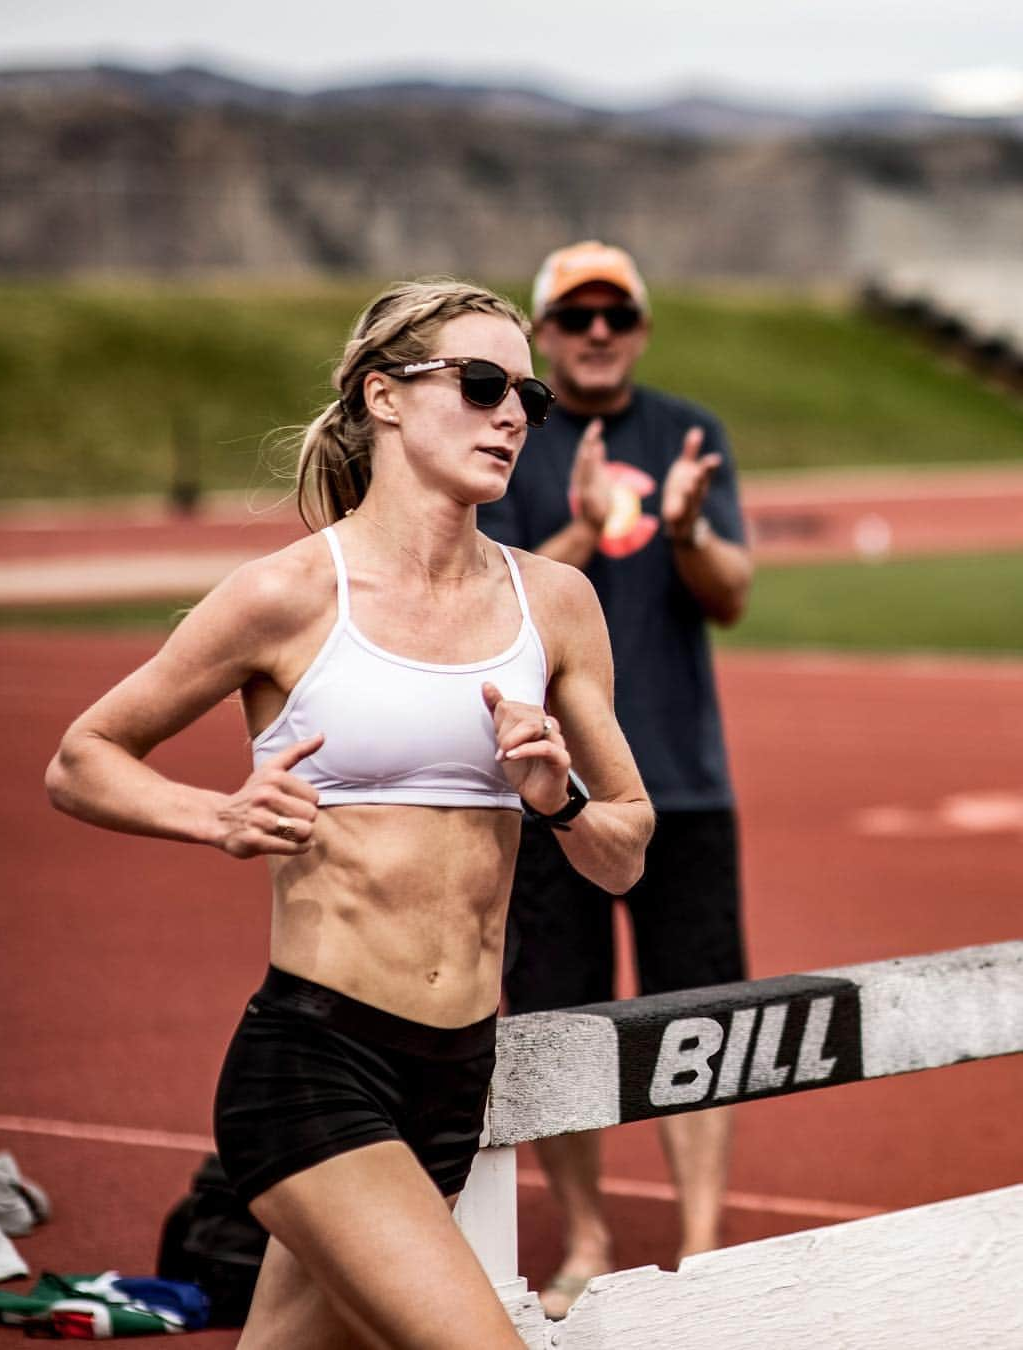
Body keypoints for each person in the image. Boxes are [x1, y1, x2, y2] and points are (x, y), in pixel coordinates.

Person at [46, 278, 655, 1350]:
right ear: (384, 395)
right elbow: (81, 759)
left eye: (528, 396)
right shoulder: (287, 596)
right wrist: (213, 817)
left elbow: (626, 855)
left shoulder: (554, 604)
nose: (512, 413)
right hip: (316, 1064)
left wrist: (557, 803)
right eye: (479, 384)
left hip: (455, 1075)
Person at [478, 242, 753, 1319]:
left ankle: (702, 1244)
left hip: (682, 779)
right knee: (558, 1014)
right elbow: (492, 600)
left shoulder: (691, 432)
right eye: (577, 315)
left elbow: (730, 596)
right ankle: (586, 1235)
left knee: (705, 1013)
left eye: (617, 314)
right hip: (549, 787)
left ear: (640, 325)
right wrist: (587, 527)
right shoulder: (507, 433)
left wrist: (682, 524)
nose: (598, 332)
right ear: (545, 329)